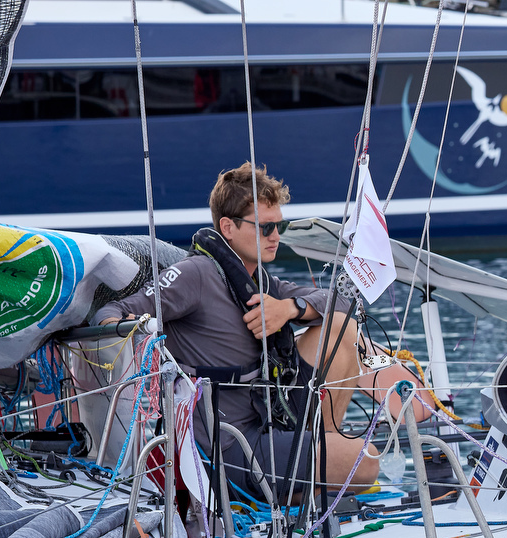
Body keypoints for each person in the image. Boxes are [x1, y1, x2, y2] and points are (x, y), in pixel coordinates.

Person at [97, 162, 429, 502]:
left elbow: (340, 303)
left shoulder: (262, 282)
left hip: (271, 424)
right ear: (228, 227)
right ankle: (316, 475)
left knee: (341, 329)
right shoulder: (194, 275)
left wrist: (289, 309)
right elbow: (113, 312)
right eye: (265, 227)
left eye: (278, 226)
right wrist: (134, 342)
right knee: (367, 462)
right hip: (227, 445)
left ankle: (322, 451)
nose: (276, 236)